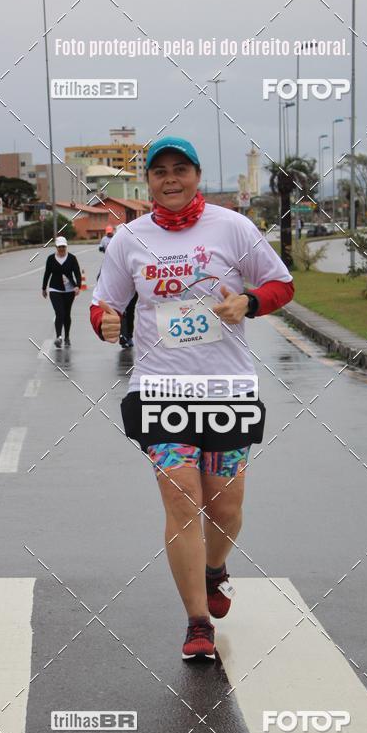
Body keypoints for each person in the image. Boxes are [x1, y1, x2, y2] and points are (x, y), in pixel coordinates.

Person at [90, 137, 294, 660]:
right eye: (160, 172)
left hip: (227, 389)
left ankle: (214, 568)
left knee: (224, 507)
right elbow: (104, 304)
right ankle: (197, 621)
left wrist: (248, 302)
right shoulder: (129, 238)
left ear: (197, 175)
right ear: (149, 182)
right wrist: (105, 323)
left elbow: (281, 284)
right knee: (182, 501)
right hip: (159, 390)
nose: (170, 179)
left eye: (180, 169)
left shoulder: (233, 227)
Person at [42, 236, 82, 348]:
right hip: (55, 289)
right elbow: (47, 273)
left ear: (66, 246)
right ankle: (59, 337)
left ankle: (67, 337)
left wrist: (78, 286)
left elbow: (77, 273)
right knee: (59, 313)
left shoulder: (72, 258)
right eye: (59, 247)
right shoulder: (50, 259)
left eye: (63, 247)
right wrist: (44, 288)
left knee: (66, 314)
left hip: (69, 290)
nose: (61, 249)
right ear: (56, 247)